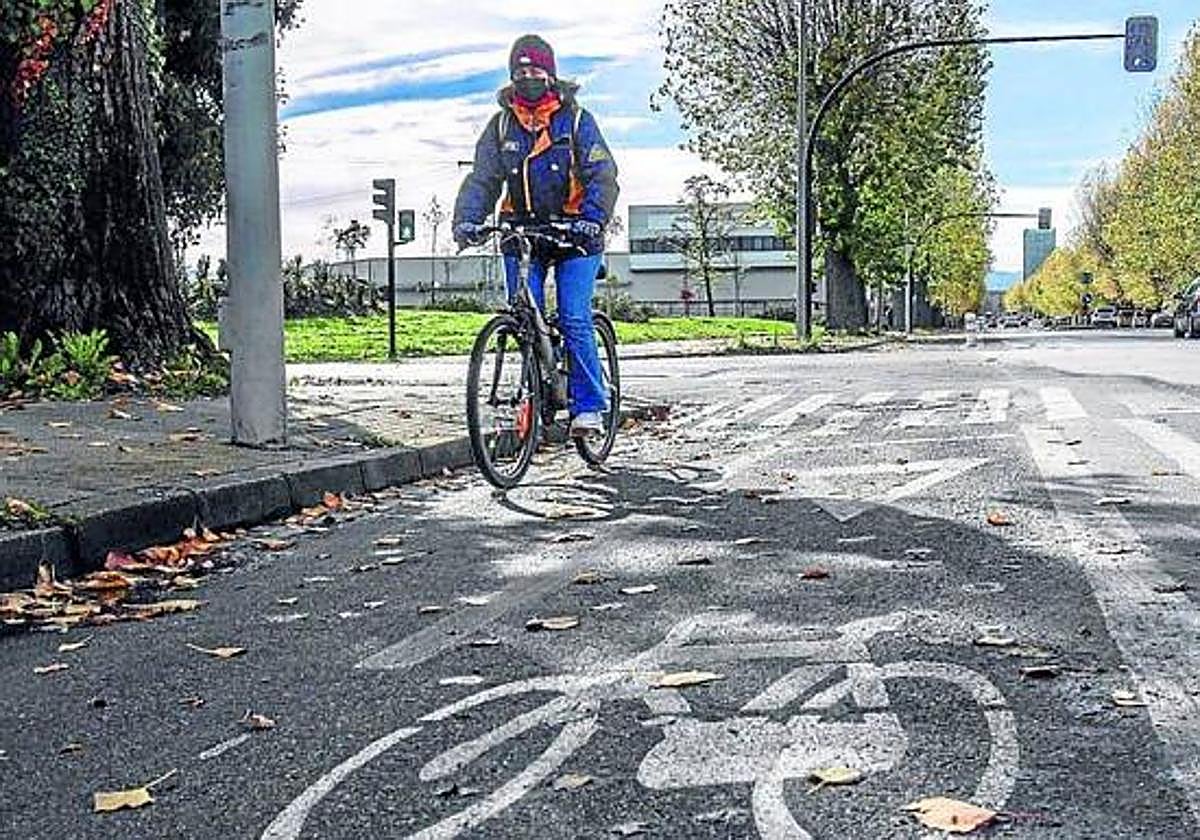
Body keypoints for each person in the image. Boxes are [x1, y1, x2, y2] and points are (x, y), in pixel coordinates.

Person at [453, 34, 619, 438]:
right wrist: (468, 220)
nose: (527, 76)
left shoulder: (576, 121)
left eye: (535, 69)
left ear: (550, 74)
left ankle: (589, 407)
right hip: (522, 231)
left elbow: (602, 175)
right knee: (524, 315)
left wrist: (592, 219)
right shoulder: (501, 125)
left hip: (575, 235)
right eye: (520, 70)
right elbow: (483, 179)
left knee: (573, 316)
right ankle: (538, 386)